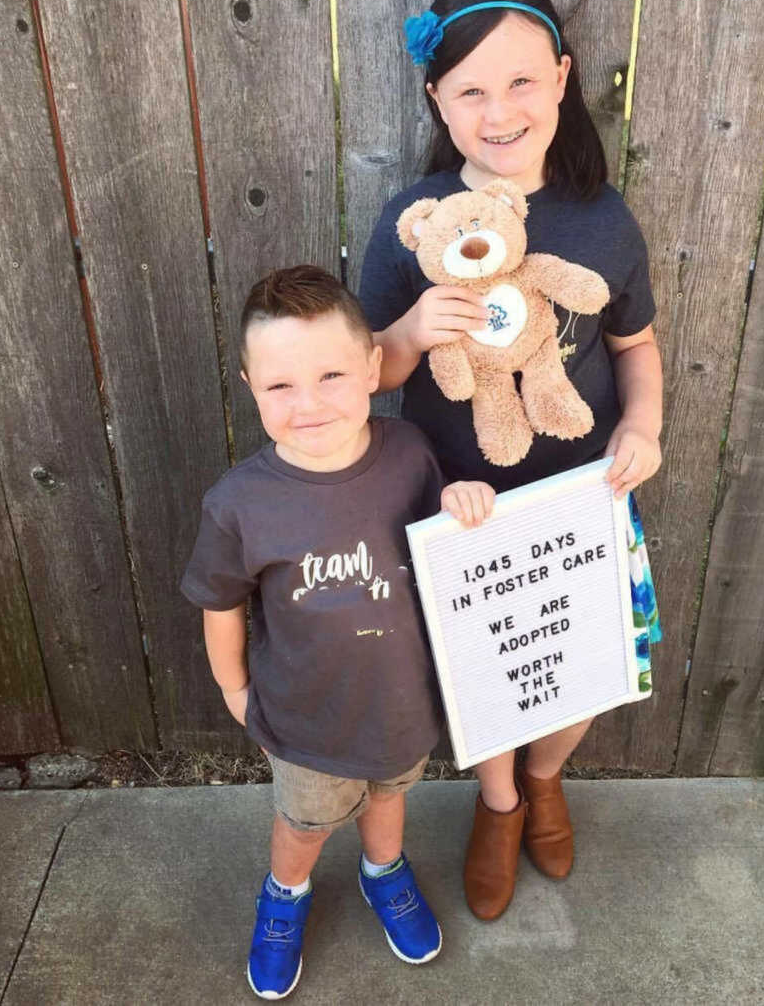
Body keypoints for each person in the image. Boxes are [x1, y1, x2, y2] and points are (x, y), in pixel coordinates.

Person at [359, 0, 663, 921]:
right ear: (437, 100)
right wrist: (411, 331)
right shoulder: (414, 224)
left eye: (523, 81)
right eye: (473, 90)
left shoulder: (602, 218)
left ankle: (543, 779)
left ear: (564, 79)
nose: (500, 110)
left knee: (576, 668)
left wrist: (644, 425)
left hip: (584, 498)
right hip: (462, 504)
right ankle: (496, 802)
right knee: (492, 666)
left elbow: (636, 343)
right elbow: (372, 367)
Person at [181, 265, 494, 999]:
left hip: (403, 703)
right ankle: (284, 896)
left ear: (373, 366)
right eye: (280, 385)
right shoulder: (238, 504)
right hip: (306, 719)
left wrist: (463, 497)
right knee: (307, 820)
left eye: (330, 374)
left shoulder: (410, 453)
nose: (309, 403)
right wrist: (235, 689)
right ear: (250, 385)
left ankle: (384, 870)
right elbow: (220, 602)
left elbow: (446, 527)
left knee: (389, 795)